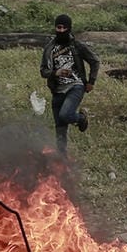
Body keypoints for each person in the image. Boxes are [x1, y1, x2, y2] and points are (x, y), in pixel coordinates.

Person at [39, 13, 99, 152]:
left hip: (75, 85)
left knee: (65, 115)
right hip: (57, 89)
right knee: (60, 128)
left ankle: (81, 118)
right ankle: (62, 159)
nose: (60, 30)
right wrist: (56, 73)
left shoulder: (77, 46)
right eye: (58, 27)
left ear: (69, 28)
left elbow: (94, 61)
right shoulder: (49, 48)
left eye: (63, 28)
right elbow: (43, 71)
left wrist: (91, 81)